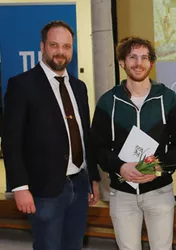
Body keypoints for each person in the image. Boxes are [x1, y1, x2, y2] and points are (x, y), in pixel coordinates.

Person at [1, 20, 100, 250]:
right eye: (54, 45)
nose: (60, 52)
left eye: (66, 46)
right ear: (43, 46)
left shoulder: (79, 87)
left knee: (74, 245)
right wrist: (20, 187)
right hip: (43, 191)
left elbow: (85, 135)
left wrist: (92, 178)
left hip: (79, 184)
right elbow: (11, 140)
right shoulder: (21, 85)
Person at [91, 37, 176, 250]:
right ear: (122, 62)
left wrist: (159, 167)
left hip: (159, 192)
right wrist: (120, 167)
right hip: (122, 193)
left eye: (145, 57)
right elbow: (97, 146)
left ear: (151, 63)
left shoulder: (168, 98)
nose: (139, 63)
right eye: (132, 57)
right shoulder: (108, 101)